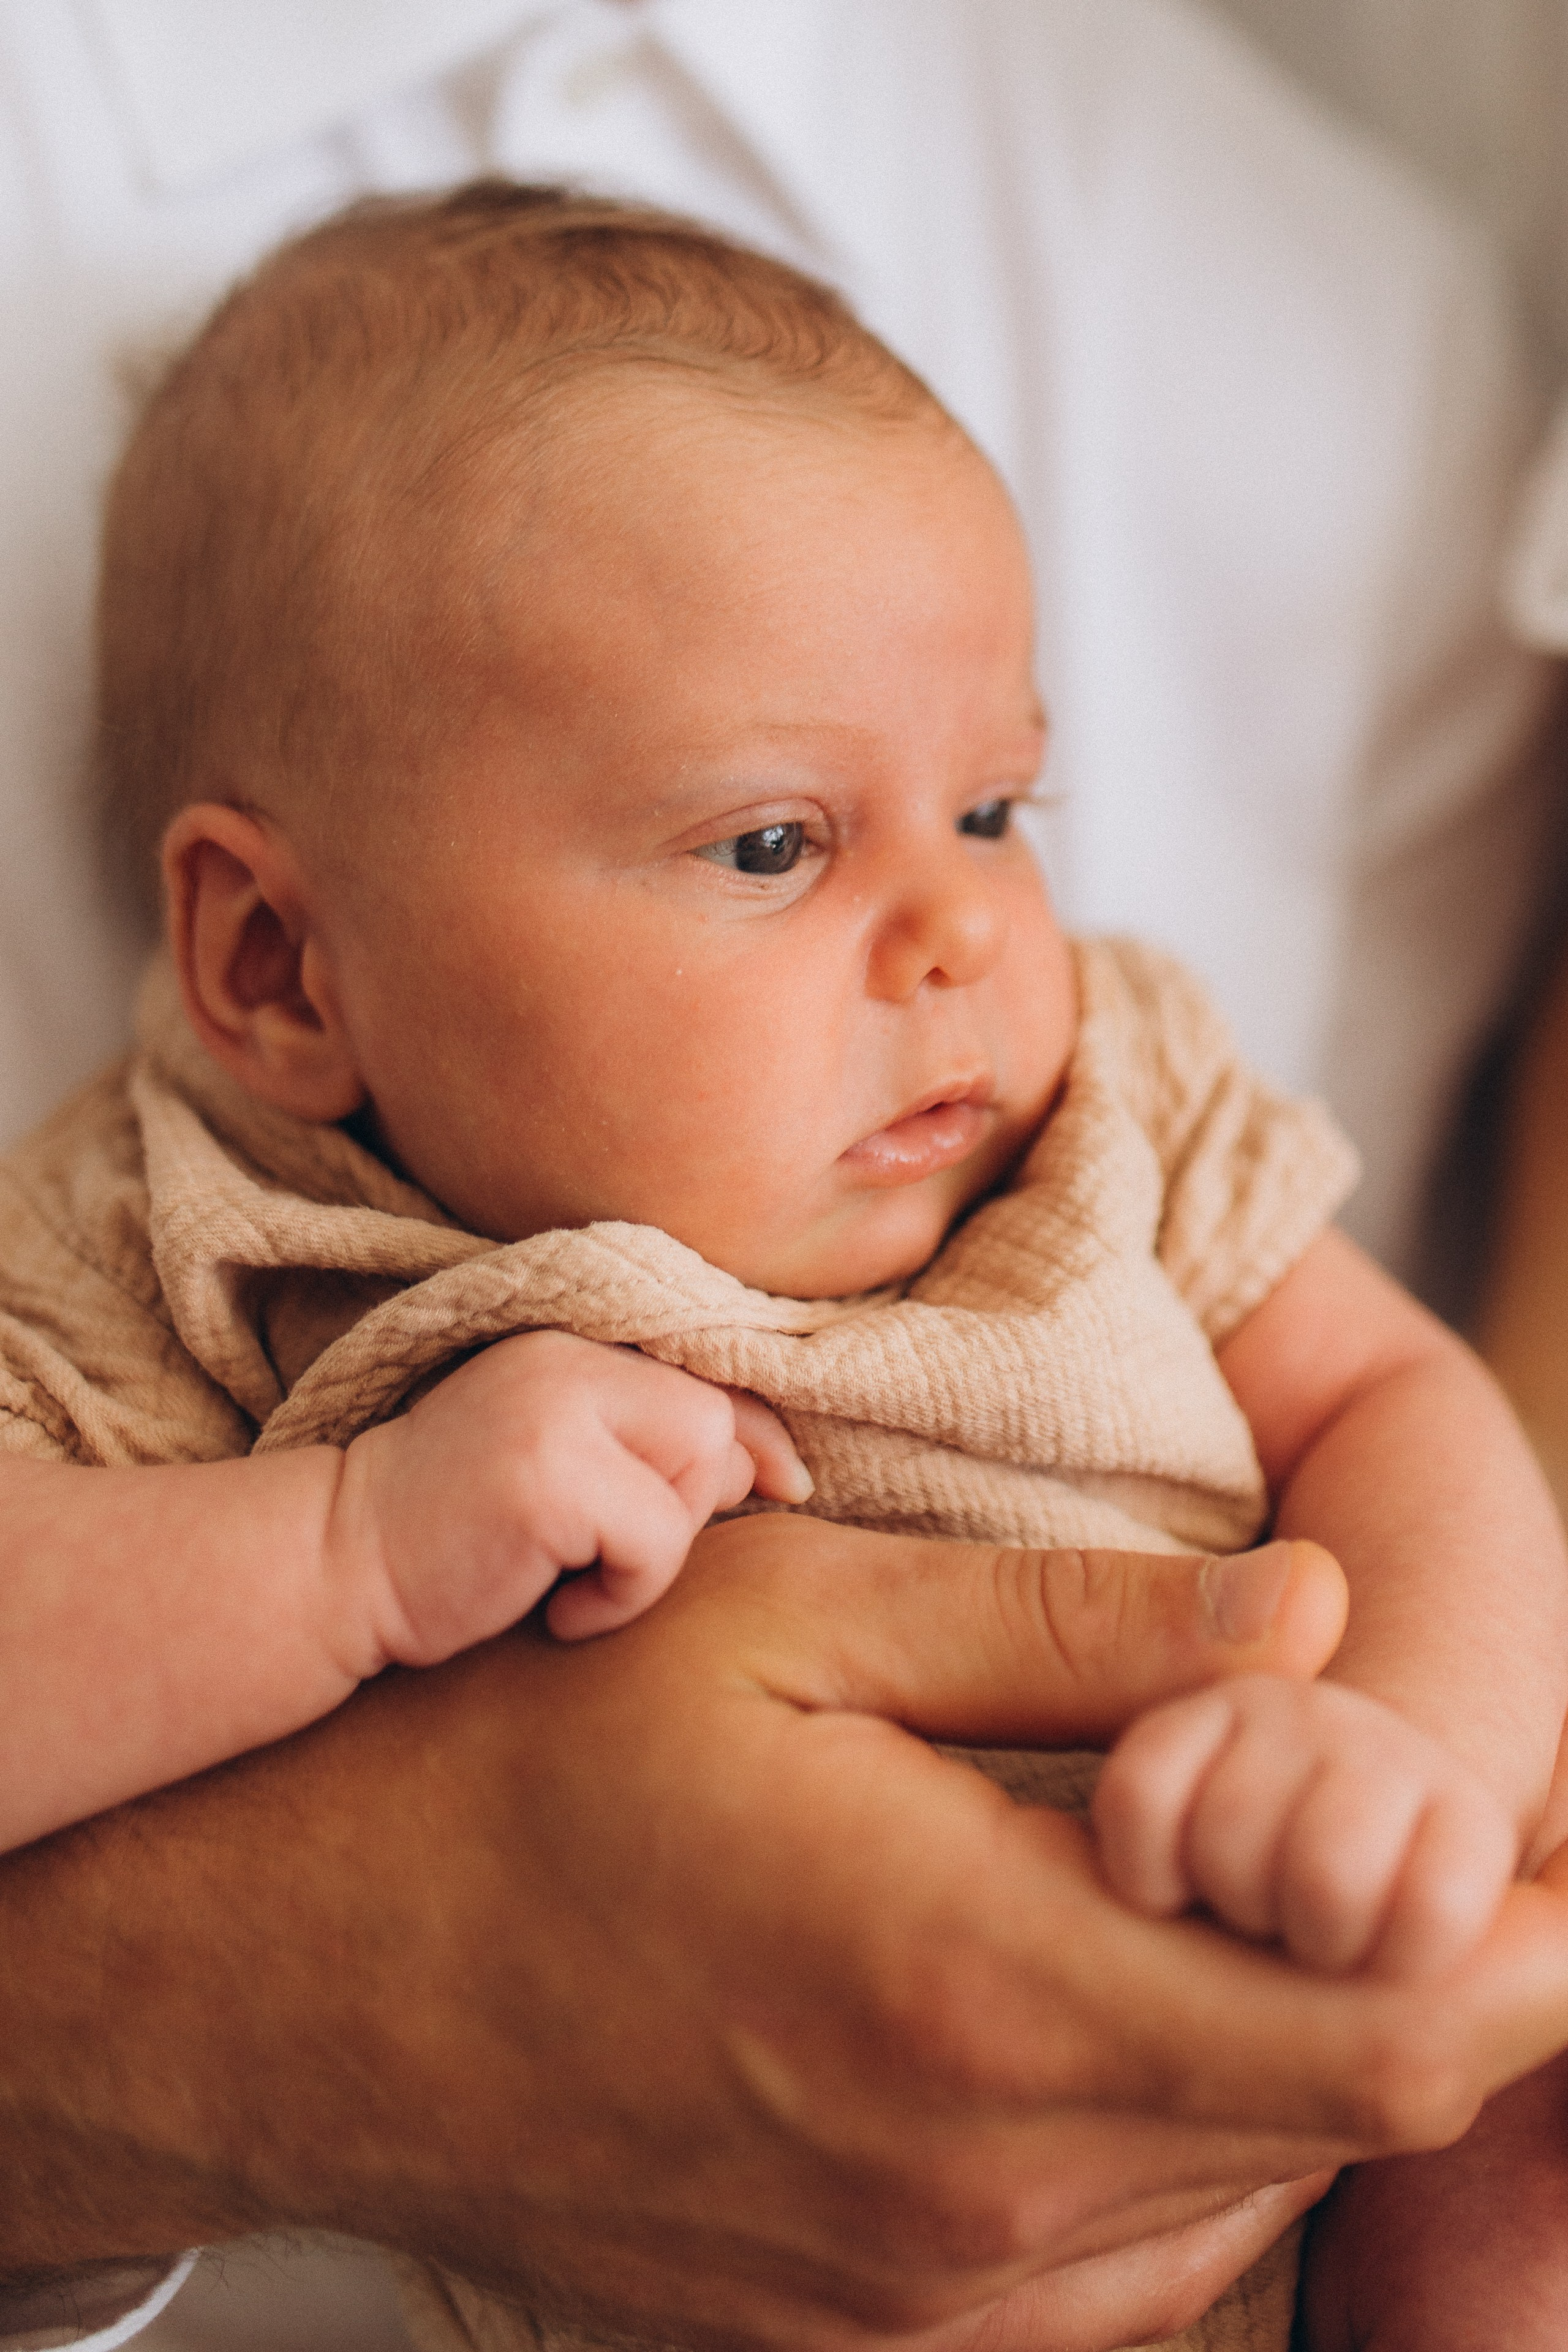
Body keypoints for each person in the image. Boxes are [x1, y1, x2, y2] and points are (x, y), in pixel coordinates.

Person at [1, 9, 1561, 2351]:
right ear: (278, 966)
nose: (957, 930)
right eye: (769, 841)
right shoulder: (205, 1226)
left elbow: (1415, 1418)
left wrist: (1399, 1764)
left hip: (1271, 2166)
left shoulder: (1094, 1100)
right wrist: (338, 1552)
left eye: (996, 810)